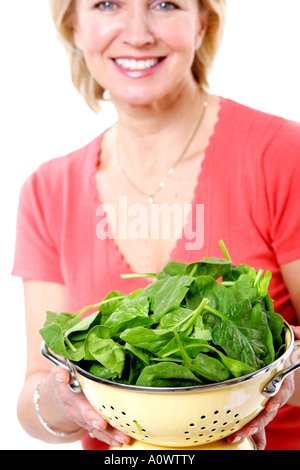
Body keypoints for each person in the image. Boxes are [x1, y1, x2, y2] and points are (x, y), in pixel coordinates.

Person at [12, 0, 300, 451]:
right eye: (107, 4)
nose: (138, 33)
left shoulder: (281, 156)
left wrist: (277, 377)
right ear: (74, 24)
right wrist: (61, 396)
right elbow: (34, 397)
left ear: (202, 22)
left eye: (165, 4)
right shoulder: (48, 190)